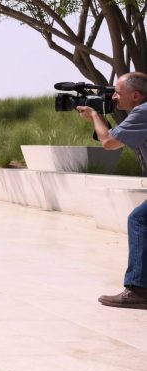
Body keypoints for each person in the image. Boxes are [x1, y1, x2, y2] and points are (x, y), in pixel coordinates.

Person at [78, 71, 147, 309]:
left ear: (136, 95)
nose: (115, 97)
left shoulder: (142, 112)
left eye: (118, 93)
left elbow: (108, 142)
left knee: (139, 220)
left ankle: (138, 290)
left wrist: (94, 115)